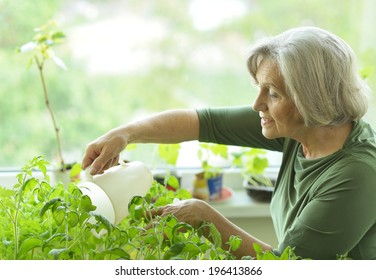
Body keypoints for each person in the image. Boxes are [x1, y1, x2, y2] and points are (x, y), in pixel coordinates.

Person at [82, 26, 376, 260]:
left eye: (272, 93)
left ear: (310, 101)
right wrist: (124, 134)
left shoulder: (358, 174)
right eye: (259, 88)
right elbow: (203, 122)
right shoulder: (301, 128)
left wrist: (203, 217)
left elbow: (289, 270)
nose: (256, 104)